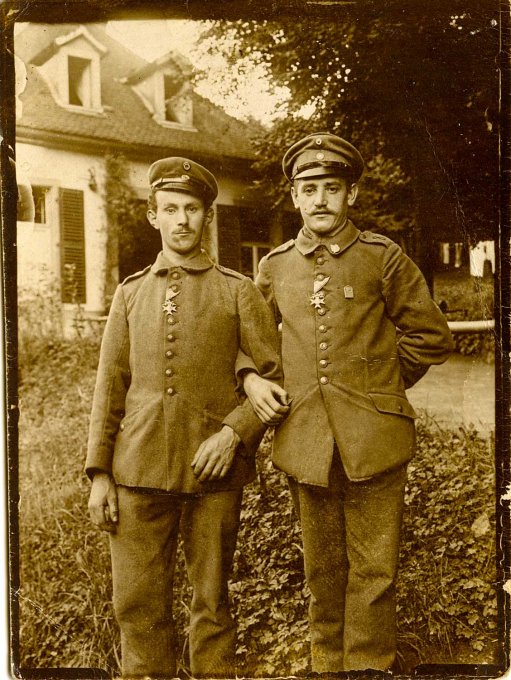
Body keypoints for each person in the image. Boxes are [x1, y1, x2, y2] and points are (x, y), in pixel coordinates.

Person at [240, 132, 454, 672]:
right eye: (308, 189)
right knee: (323, 569)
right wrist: (249, 377)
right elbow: (251, 344)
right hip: (305, 439)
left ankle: (368, 666)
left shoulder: (382, 257)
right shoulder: (275, 266)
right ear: (293, 196)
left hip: (375, 439)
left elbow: (431, 335)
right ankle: (324, 664)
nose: (319, 201)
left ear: (351, 195)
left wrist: (379, 385)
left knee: (375, 571)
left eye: (331, 188)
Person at [85, 157, 283, 678]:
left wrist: (234, 434)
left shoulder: (238, 290)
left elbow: (274, 379)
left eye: (192, 209)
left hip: (213, 477)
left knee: (212, 608)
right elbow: (110, 388)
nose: (182, 220)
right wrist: (100, 473)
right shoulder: (130, 294)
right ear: (153, 216)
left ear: (207, 217)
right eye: (169, 209)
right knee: (137, 609)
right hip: (136, 472)